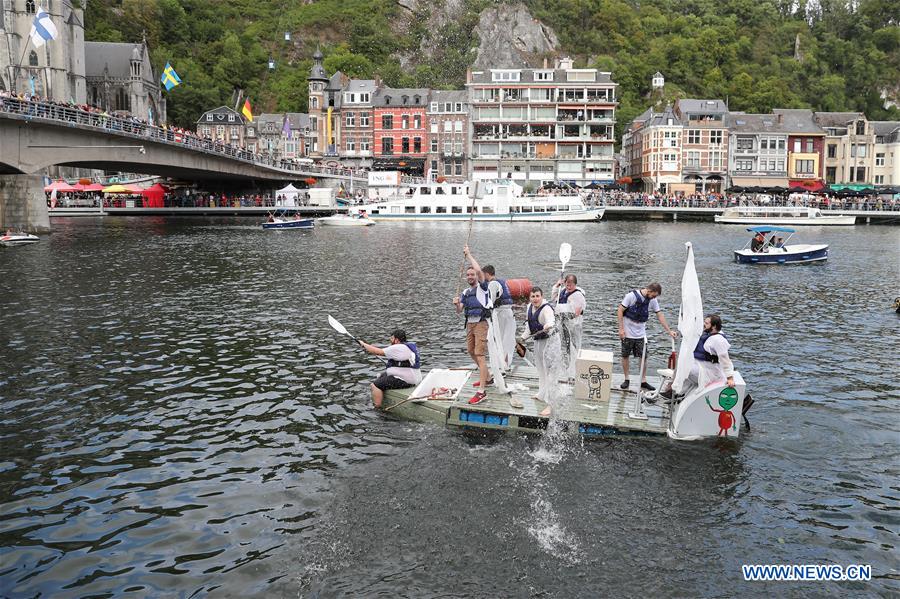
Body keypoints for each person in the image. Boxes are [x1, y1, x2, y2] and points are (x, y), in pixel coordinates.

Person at [617, 283, 677, 391]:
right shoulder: (631, 296)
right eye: (654, 295)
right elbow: (620, 310)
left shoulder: (652, 300)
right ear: (649, 290)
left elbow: (659, 314)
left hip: (641, 333)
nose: (655, 298)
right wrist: (621, 329)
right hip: (627, 332)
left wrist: (669, 331)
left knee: (643, 357)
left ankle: (643, 380)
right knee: (625, 355)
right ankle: (626, 379)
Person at [661, 314, 734, 399]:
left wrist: (730, 378)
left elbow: (725, 360)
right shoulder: (708, 332)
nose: (704, 324)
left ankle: (674, 392)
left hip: (710, 372)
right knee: (682, 365)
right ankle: (677, 392)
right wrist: (679, 334)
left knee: (685, 369)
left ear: (714, 326)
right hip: (700, 365)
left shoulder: (718, 340)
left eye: (706, 323)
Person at [453, 245, 491, 404]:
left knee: (480, 356)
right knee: (471, 351)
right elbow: (459, 311)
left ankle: (482, 392)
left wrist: (468, 255)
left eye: (472, 274)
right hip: (470, 325)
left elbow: (479, 269)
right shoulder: (465, 292)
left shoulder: (483, 287)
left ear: (477, 276)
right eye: (468, 275)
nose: (470, 276)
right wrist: (456, 304)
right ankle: (487, 378)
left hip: (481, 324)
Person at [358, 329, 422, 409]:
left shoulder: (397, 348)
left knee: (375, 385)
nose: (390, 340)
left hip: (406, 381)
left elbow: (377, 351)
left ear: (397, 339)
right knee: (380, 376)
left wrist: (363, 344)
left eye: (392, 338)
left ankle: (377, 408)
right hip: (415, 378)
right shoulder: (409, 346)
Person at [524, 287, 558, 416]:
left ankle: (551, 404)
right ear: (530, 298)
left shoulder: (546, 308)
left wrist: (548, 325)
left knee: (549, 372)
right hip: (538, 341)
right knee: (540, 368)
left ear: (542, 297)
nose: (535, 299)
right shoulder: (529, 307)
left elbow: (550, 320)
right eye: (532, 296)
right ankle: (541, 393)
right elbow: (529, 328)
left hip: (550, 341)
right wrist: (522, 338)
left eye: (537, 296)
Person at [480, 262, 517, 372]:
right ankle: (507, 364)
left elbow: (491, 301)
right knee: (507, 339)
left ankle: (502, 366)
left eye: (483, 275)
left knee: (500, 339)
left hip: (501, 312)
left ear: (487, 274)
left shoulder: (492, 284)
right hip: (509, 312)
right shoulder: (502, 282)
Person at [551, 273, 586, 379]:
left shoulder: (578, 295)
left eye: (571, 284)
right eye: (567, 284)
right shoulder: (563, 291)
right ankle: (566, 368)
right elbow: (554, 299)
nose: (569, 286)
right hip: (563, 324)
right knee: (564, 347)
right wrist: (557, 286)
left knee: (574, 346)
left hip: (574, 325)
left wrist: (565, 315)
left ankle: (575, 370)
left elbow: (577, 312)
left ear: (575, 284)